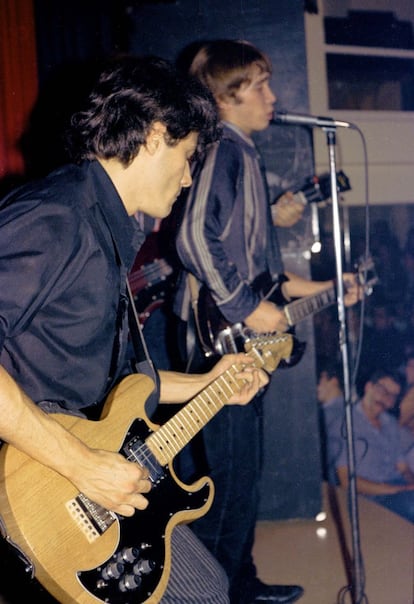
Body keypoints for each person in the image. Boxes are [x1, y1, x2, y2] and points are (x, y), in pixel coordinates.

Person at [0, 55, 270, 604]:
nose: (190, 176)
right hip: (39, 484)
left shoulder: (103, 227)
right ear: (152, 137)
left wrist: (211, 382)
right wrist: (80, 464)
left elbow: (119, 386)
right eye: (188, 156)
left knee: (208, 588)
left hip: (77, 480)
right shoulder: (57, 215)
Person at [172, 39, 361, 604]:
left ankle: (240, 583)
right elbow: (191, 240)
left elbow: (268, 279)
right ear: (226, 97)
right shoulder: (222, 149)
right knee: (230, 483)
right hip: (218, 338)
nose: (273, 96)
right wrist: (247, 307)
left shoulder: (244, 155)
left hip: (239, 336)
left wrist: (332, 289)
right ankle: (210, 593)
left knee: (243, 477)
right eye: (259, 85)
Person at [333, 369, 414, 524]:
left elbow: (403, 468)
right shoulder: (347, 423)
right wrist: (397, 490)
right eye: (382, 391)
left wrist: (410, 484)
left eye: (392, 396)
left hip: (397, 490)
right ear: (368, 387)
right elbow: (346, 480)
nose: (386, 399)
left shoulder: (389, 423)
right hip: (369, 498)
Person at [316, 362, 344, 483]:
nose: (316, 387)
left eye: (319, 381)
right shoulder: (354, 409)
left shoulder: (327, 414)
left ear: (333, 381)